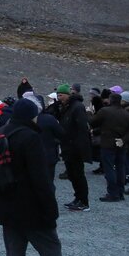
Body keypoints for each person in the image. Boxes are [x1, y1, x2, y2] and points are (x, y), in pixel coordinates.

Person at [0, 98, 71, 256]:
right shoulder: (30, 137)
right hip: (32, 208)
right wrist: (51, 210)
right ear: (31, 116)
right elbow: (41, 179)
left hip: (6, 205)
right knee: (51, 253)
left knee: (14, 255)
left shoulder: (2, 131)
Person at [90, 93, 129, 202]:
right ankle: (120, 192)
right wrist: (123, 140)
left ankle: (112, 193)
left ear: (110, 100)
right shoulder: (127, 114)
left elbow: (92, 122)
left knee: (109, 168)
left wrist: (89, 112)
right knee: (120, 168)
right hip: (121, 144)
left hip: (107, 144)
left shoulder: (105, 111)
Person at [55, 84, 92, 212]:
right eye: (58, 95)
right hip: (67, 146)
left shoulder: (77, 107)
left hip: (75, 147)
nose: (59, 98)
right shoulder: (66, 107)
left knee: (78, 174)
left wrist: (80, 147)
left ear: (67, 94)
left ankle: (84, 201)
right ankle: (78, 198)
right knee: (72, 174)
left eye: (61, 95)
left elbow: (82, 129)